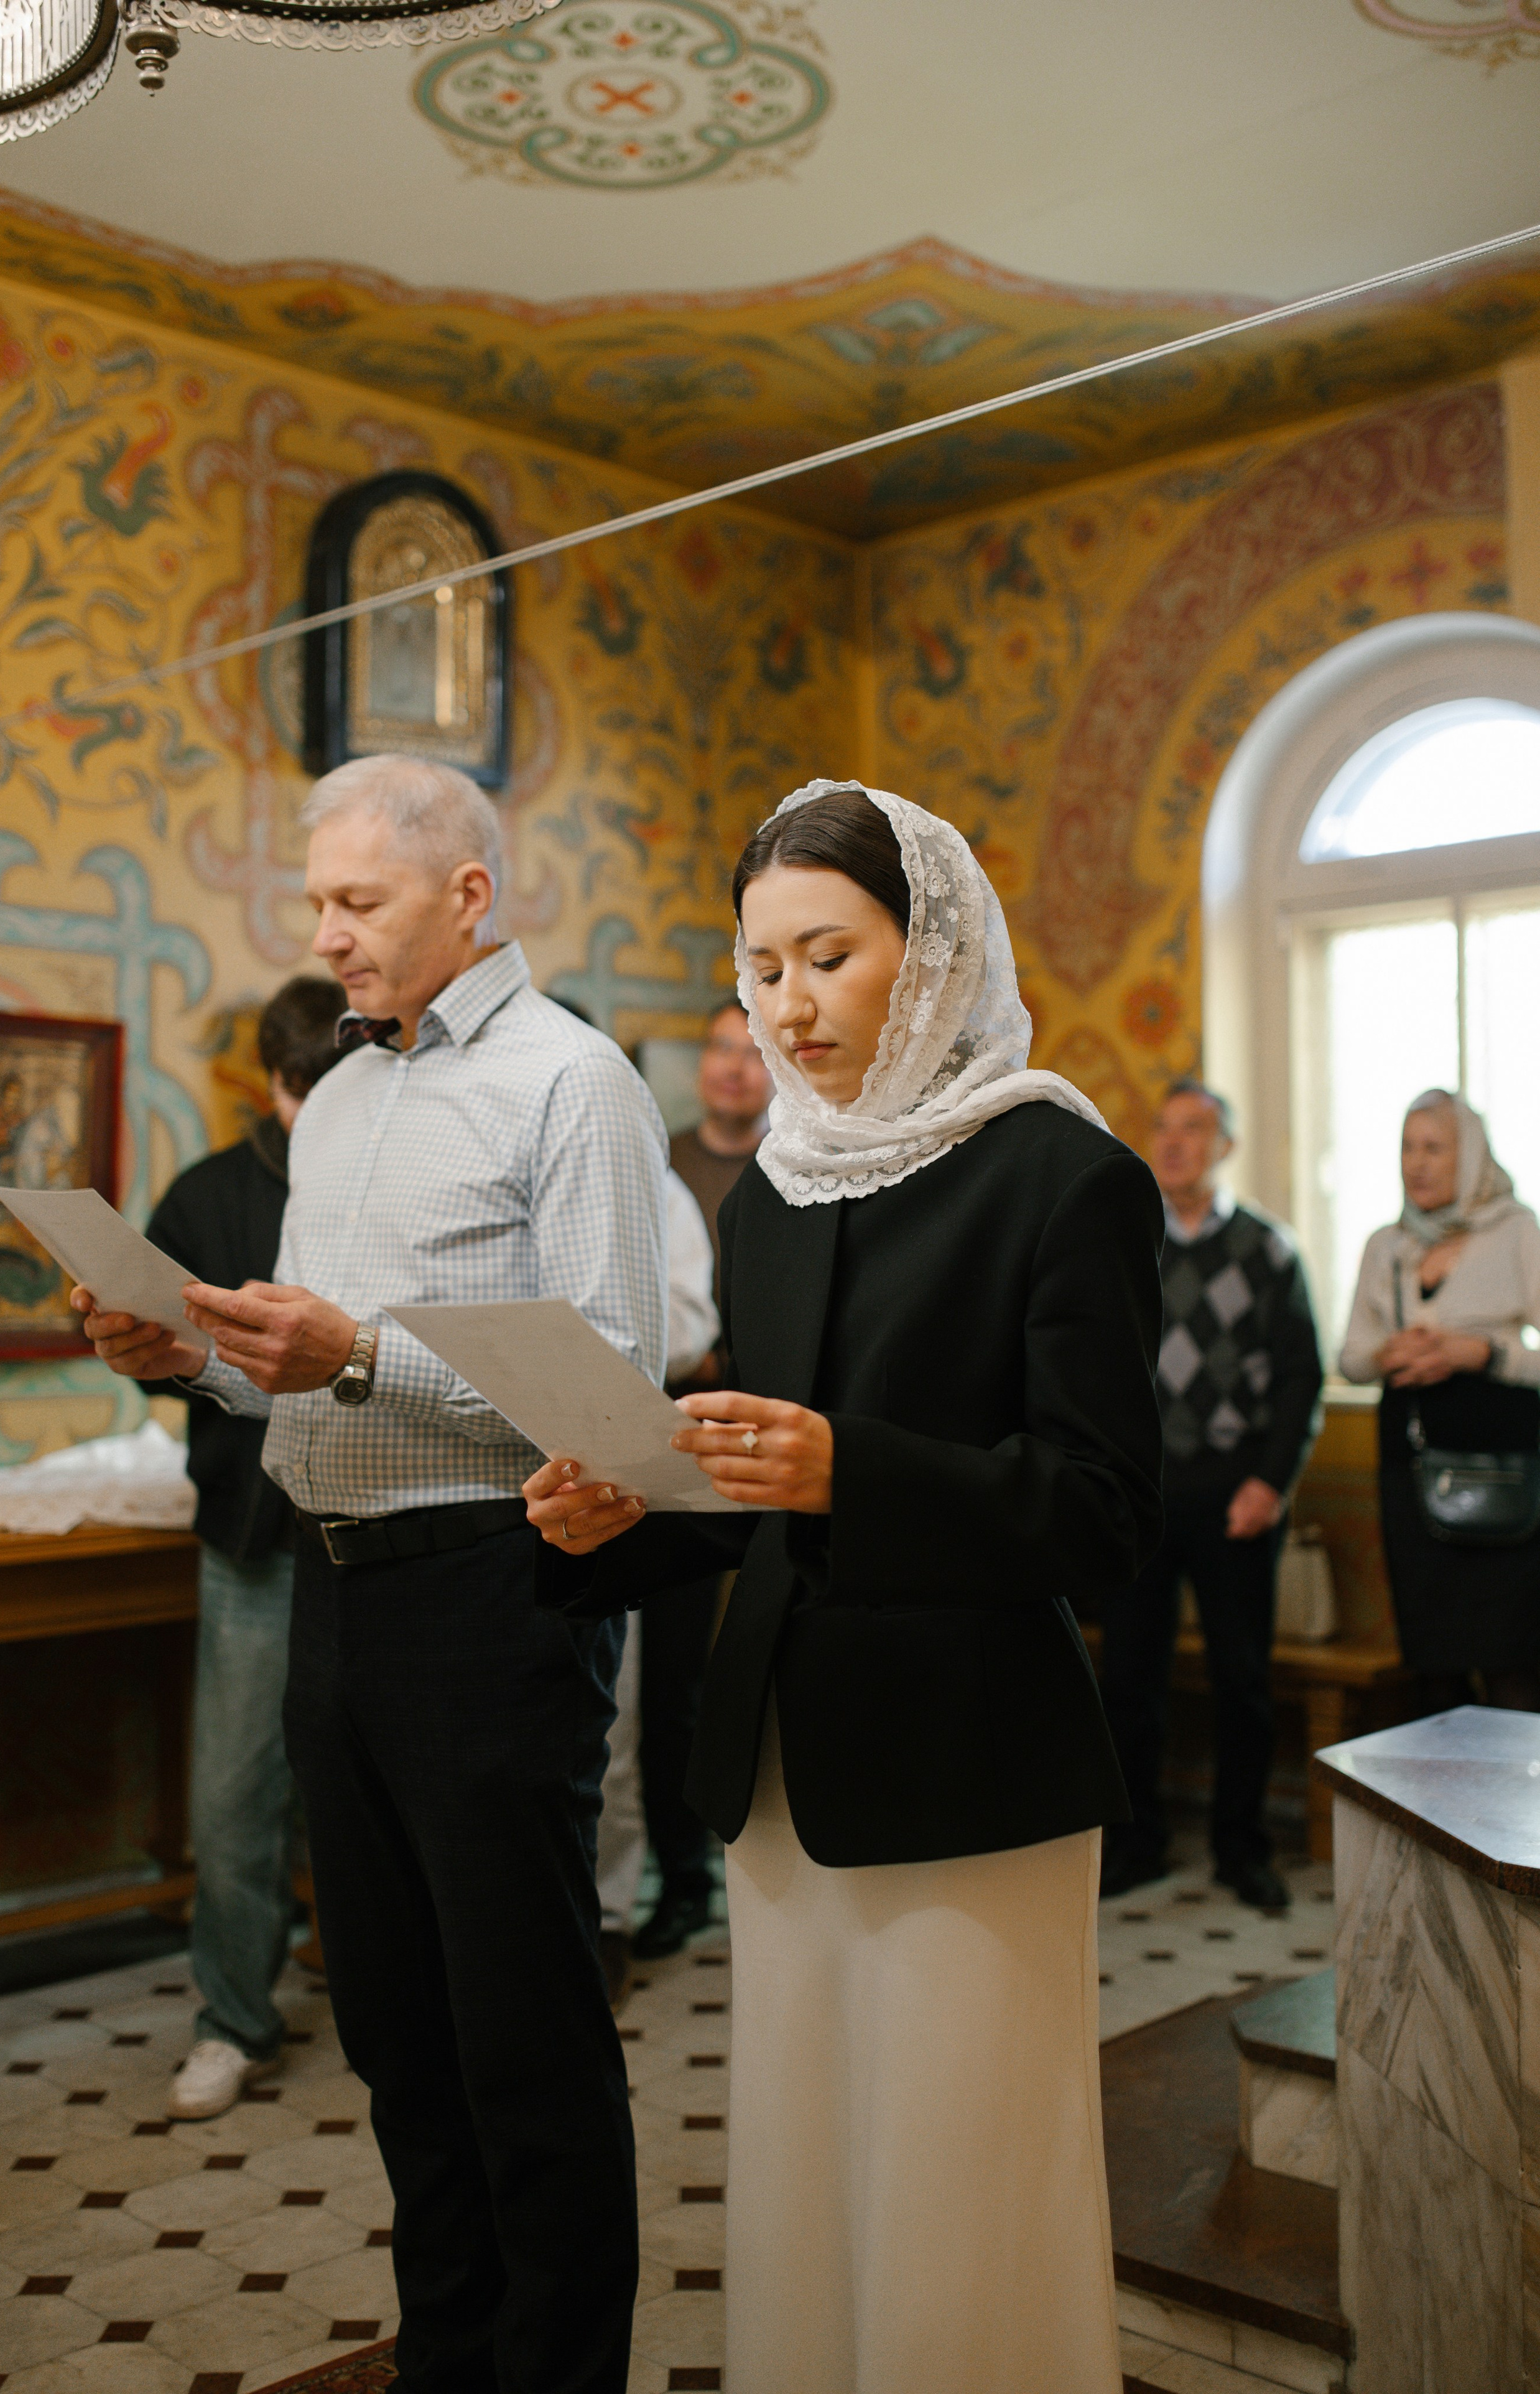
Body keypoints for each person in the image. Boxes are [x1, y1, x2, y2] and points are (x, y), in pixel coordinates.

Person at [524, 779, 1164, 2394]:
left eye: (828, 957)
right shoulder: (774, 1199)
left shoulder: (1059, 1175)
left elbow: (1099, 1512)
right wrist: (631, 1510)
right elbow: (757, 1482)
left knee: (960, 2191)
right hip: (782, 1771)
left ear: (930, 952)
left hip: (971, 1765)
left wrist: (849, 1473)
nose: (788, 1009)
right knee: (806, 2172)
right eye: (761, 969)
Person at [75, 753, 667, 2394]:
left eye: (359, 901)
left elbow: (609, 1385)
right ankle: (454, 2358)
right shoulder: (332, 1098)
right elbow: (303, 1371)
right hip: (332, 1598)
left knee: (521, 2046)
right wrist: (178, 1354)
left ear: (468, 896)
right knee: (396, 2035)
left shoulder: (574, 1085)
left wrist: (358, 1355)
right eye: (319, 901)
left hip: (493, 1592)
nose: (327, 935)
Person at [141, 974, 346, 2118]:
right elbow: (165, 1358)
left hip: (377, 1529)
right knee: (232, 1796)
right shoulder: (208, 1195)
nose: (318, 1110)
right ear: (268, 1084)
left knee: (368, 1789)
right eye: (300, 1090)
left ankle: (387, 2004)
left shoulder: (395, 1177)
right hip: (253, 1534)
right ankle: (233, 2017)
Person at [1098, 1080, 1324, 1910]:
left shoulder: (1269, 1250)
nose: (1175, 1143)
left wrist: (1270, 1483)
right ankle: (1136, 1844)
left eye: (1195, 1130)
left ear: (1225, 1147)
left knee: (1242, 1684)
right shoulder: (1126, 1242)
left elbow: (1303, 1377)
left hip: (1238, 1497)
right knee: (1130, 1680)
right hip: (1144, 1497)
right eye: (1165, 1128)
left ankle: (1242, 1847)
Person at [636, 1000, 774, 1959]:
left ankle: (767, 1856)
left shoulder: (796, 1164)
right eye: (720, 1049)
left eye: (750, 1052)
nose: (732, 1068)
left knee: (763, 1647)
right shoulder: (659, 1163)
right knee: (671, 1671)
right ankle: (680, 1878)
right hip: (669, 1436)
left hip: (777, 1435)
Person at [1340, 1088, 1540, 1714]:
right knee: (1434, 1675)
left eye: (1433, 1147)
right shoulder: (1385, 1244)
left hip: (1508, 1474)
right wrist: (1393, 1352)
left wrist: (1479, 1352)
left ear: (1471, 1155)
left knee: (1512, 1671)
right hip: (1411, 1472)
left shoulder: (1515, 1230)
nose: (1416, 1162)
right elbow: (1349, 1356)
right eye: (1406, 1146)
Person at [595, 1160, 720, 2002]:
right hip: (508, 1463)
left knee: (637, 1700)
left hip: (648, 1452)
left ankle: (623, 1903)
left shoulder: (650, 1183)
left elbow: (688, 1330)